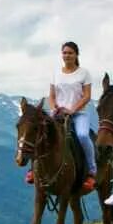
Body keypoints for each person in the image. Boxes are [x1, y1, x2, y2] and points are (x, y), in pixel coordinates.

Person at [42, 41, 97, 193]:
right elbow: (52, 96)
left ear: (76, 55)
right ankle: (35, 169)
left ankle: (92, 170)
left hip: (79, 113)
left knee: (83, 135)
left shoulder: (84, 73)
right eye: (65, 53)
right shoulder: (56, 73)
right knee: (41, 134)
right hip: (59, 113)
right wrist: (55, 109)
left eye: (70, 53)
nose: (67, 55)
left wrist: (72, 110)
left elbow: (87, 96)